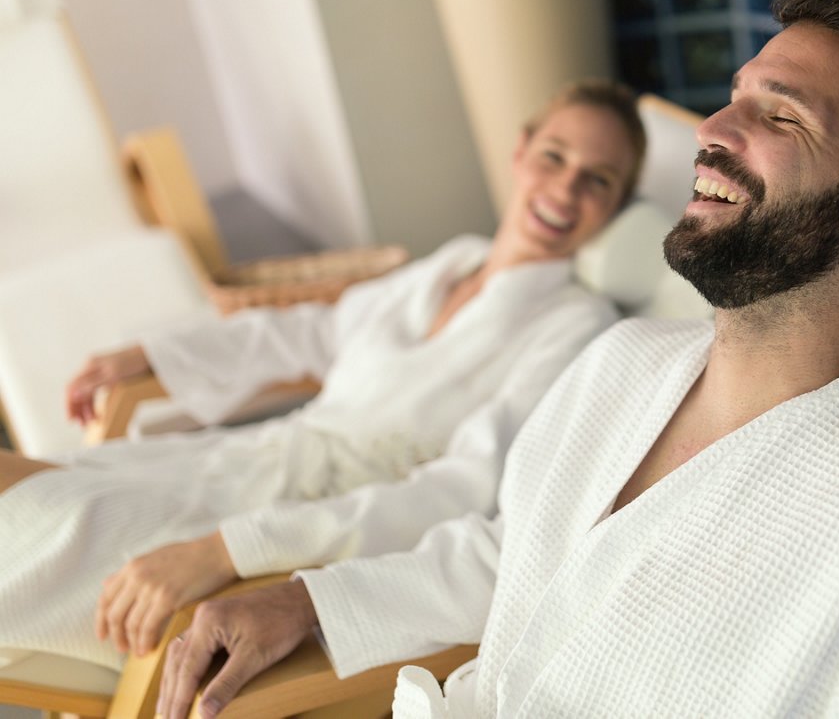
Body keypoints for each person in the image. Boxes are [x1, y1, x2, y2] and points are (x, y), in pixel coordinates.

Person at [156, 0, 839, 718]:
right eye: (735, 97)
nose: (715, 131)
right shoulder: (623, 364)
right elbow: (518, 557)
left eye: (780, 119)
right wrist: (308, 599)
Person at [0, 78, 646, 672]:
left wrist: (229, 549)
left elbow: (464, 488)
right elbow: (315, 330)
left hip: (292, 536)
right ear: (520, 150)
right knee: (25, 478)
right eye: (555, 157)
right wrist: (158, 353)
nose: (565, 191)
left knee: (45, 524)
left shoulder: (573, 327)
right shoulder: (455, 262)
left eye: (598, 181)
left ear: (617, 207)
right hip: (233, 464)